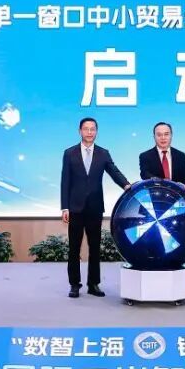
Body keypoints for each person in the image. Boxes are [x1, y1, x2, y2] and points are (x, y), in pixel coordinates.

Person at [60, 117, 130, 298]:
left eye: (92, 129)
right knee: (74, 248)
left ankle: (93, 284)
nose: (89, 132)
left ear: (96, 132)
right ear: (80, 131)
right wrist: (64, 207)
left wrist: (127, 185)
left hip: (95, 208)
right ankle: (74, 284)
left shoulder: (103, 153)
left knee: (95, 248)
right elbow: (65, 181)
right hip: (75, 208)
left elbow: (114, 172)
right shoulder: (69, 153)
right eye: (86, 129)